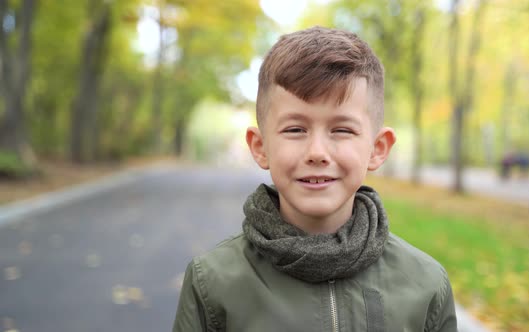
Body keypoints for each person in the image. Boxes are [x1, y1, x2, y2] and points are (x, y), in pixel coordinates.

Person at [173, 27, 457, 331]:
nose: (317, 152)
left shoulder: (426, 285)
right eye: (295, 129)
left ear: (377, 149)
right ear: (260, 146)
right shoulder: (213, 283)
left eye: (342, 130)